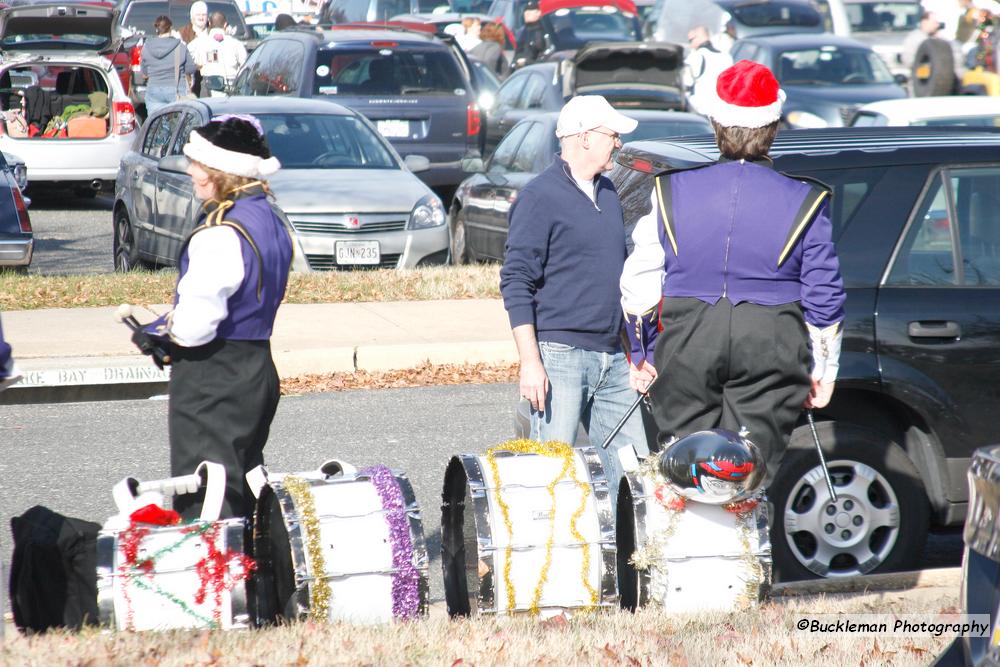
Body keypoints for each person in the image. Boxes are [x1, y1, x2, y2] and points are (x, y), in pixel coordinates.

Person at [620, 60, 846, 482]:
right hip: (771, 339)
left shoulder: (670, 189)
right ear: (773, 125)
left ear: (716, 123)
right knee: (749, 473)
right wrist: (823, 371)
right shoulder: (805, 198)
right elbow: (823, 296)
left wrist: (642, 352)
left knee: (687, 468)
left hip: (687, 336)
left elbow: (640, 282)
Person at [140, 115, 292, 520]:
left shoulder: (220, 232)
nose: (190, 171)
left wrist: (164, 332)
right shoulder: (270, 218)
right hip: (256, 365)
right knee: (241, 488)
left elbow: (194, 329)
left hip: (214, 379)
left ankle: (220, 582)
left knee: (206, 500)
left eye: (197, 165)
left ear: (221, 173)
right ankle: (251, 579)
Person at [500, 95, 649, 505]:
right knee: (551, 475)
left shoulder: (610, 193)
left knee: (635, 473)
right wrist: (530, 362)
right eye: (612, 135)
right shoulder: (539, 197)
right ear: (584, 138)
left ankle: (630, 561)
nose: (618, 143)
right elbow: (516, 281)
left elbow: (621, 279)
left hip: (614, 359)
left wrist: (634, 351)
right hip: (560, 355)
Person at [140, 16, 196, 116]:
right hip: (176, 90)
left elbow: (144, 71)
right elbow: (191, 68)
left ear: (157, 29)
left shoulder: (146, 47)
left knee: (157, 126)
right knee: (177, 126)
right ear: (170, 28)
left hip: (154, 90)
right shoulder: (180, 47)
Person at [190, 11, 248, 97]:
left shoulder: (198, 43)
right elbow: (245, 67)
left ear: (209, 23)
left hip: (208, 88)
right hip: (231, 88)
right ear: (225, 25)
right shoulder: (236, 44)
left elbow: (193, 63)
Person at [682, 25, 733, 116]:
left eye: (691, 40)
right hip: (724, 111)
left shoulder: (695, 57)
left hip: (701, 111)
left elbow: (686, 84)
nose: (690, 45)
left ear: (699, 37)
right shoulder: (726, 57)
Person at [513, 0, 546, 68]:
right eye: (526, 10)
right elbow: (518, 51)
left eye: (531, 10)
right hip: (521, 69)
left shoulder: (543, 31)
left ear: (538, 13)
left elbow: (544, 55)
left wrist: (527, 62)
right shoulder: (522, 32)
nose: (527, 13)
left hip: (536, 69)